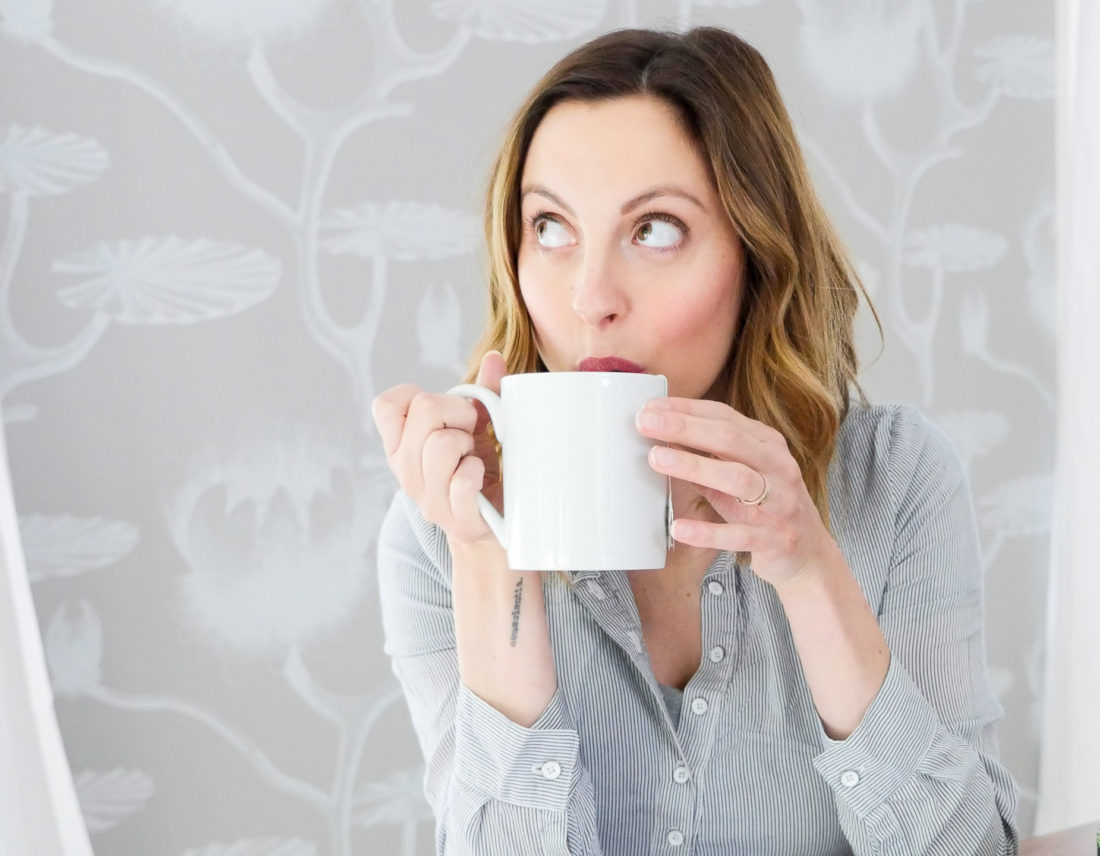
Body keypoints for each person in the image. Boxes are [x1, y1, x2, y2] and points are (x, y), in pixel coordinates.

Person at [370, 26, 1019, 856]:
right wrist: (493, 560)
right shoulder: (439, 534)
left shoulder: (894, 481)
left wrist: (811, 570)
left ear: (756, 252)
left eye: (655, 230)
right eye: (552, 228)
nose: (590, 299)